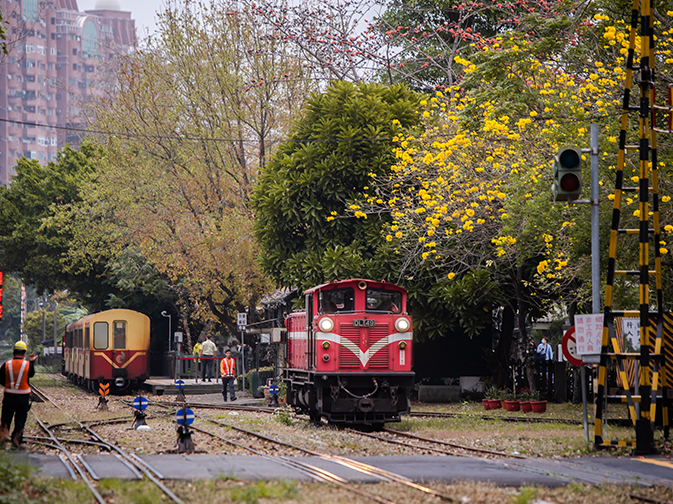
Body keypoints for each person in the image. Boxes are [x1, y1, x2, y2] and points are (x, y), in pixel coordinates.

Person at [0, 341, 37, 449]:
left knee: (6, 419)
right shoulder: (27, 365)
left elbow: (1, 379)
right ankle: (16, 442)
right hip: (23, 397)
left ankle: (2, 441)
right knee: (20, 421)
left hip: (9, 397)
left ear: (13, 352)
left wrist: (8, 386)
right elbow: (31, 374)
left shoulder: (6, 365)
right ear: (24, 353)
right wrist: (32, 362)